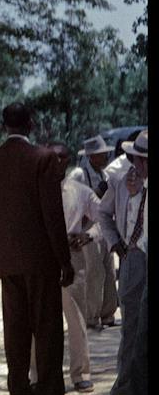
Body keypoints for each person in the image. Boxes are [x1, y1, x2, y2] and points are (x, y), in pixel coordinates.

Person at [0, 102, 84, 395]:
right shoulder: (43, 159)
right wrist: (65, 260)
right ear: (30, 124)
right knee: (47, 329)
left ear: (4, 125)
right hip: (41, 258)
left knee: (16, 328)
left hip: (8, 258)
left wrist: (6, 231)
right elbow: (52, 214)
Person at [94, 129, 147, 395]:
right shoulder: (120, 177)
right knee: (132, 327)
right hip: (133, 255)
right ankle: (126, 390)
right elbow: (103, 213)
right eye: (134, 157)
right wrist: (115, 243)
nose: (135, 163)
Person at [33, 145, 95, 391]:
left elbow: (104, 216)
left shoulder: (80, 192)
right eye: (53, 158)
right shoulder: (34, 190)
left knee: (76, 317)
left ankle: (80, 373)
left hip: (71, 253)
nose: (58, 163)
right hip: (42, 256)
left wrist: (90, 235)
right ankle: (37, 375)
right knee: (39, 318)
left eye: (62, 159)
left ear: (69, 161)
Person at [76, 134, 121, 326]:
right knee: (94, 271)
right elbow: (75, 199)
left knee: (108, 270)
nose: (105, 158)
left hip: (104, 226)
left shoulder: (104, 174)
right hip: (87, 227)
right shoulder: (79, 174)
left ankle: (108, 313)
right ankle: (91, 316)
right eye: (101, 155)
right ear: (91, 156)